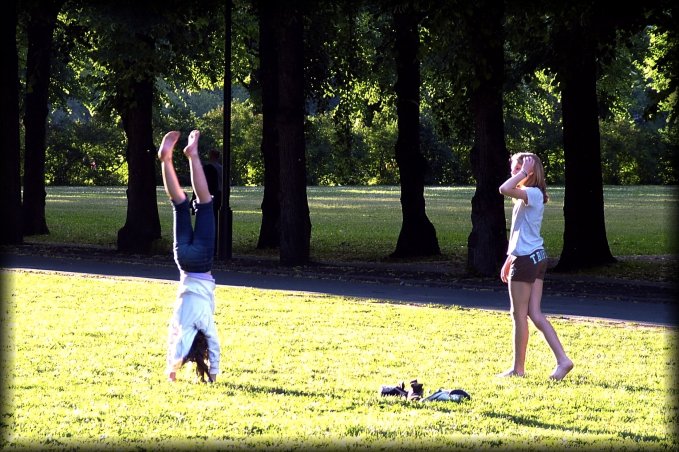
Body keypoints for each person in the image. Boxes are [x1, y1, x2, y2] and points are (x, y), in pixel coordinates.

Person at [498, 152, 573, 380]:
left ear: (529, 172)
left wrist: (523, 172)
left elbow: (503, 189)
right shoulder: (530, 195)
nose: (513, 173)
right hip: (535, 256)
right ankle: (563, 360)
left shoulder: (531, 193)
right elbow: (521, 230)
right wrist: (509, 257)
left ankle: (517, 369)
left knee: (518, 314)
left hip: (527, 260)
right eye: (513, 169)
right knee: (534, 313)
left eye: (516, 169)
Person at [158, 129, 220, 383]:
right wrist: (172, 370)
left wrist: (214, 373)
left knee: (205, 203)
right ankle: (166, 160)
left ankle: (193, 156)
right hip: (183, 260)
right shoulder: (181, 322)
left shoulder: (206, 324)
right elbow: (173, 337)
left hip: (203, 262)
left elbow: (215, 346)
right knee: (179, 203)